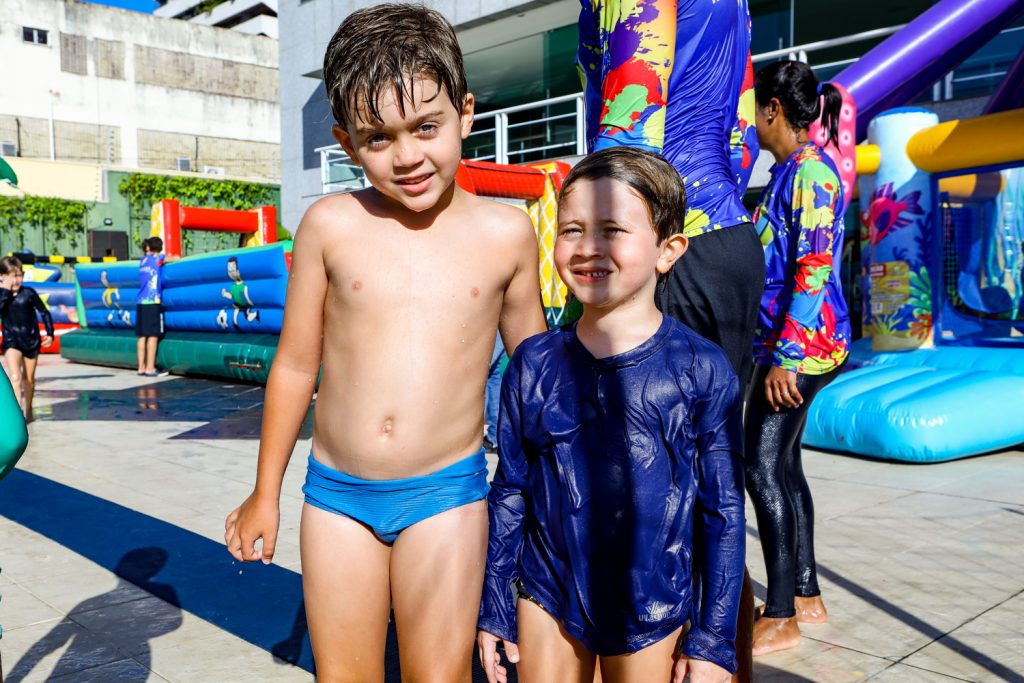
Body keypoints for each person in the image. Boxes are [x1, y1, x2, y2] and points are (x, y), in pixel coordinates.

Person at [223, 5, 547, 681]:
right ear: (346, 143)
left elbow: (537, 377)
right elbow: (294, 365)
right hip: (337, 495)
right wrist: (265, 491)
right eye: (378, 138)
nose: (407, 156)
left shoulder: (505, 235)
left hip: (447, 496)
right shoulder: (331, 225)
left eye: (426, 127)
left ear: (466, 112)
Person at [478, 147, 745, 683]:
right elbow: (510, 488)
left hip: (653, 597)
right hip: (548, 583)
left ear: (668, 250)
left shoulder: (701, 368)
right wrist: (495, 604)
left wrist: (713, 639)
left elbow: (723, 511)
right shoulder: (534, 362)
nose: (587, 248)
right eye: (571, 230)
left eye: (611, 230)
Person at [578, 3, 762, 677]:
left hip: (667, 236)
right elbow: (742, 130)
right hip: (730, 239)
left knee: (637, 490)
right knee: (716, 484)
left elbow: (630, 117)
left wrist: (601, 250)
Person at [745, 60, 851, 656]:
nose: (751, 123)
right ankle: (805, 592)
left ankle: (781, 611)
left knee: (759, 467)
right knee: (784, 467)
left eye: (755, 111)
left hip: (801, 350)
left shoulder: (812, 175)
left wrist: (785, 356)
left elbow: (812, 271)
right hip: (791, 345)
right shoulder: (788, 171)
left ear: (773, 111)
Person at [0, 255, 54, 422]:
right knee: (15, 377)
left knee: (28, 380)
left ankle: (28, 409)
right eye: (11, 275)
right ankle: (17, 417)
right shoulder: (2, 296)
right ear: (2, 276)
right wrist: (5, 291)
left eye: (19, 275)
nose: (16, 280)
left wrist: (50, 333)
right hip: (12, 340)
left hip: (30, 340)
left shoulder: (29, 293)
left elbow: (44, 312)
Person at [136, 236, 168, 377]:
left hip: (141, 301)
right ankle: (150, 368)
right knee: (153, 336)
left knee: (142, 336)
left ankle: (141, 368)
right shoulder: (157, 259)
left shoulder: (142, 261)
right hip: (152, 300)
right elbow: (175, 257)